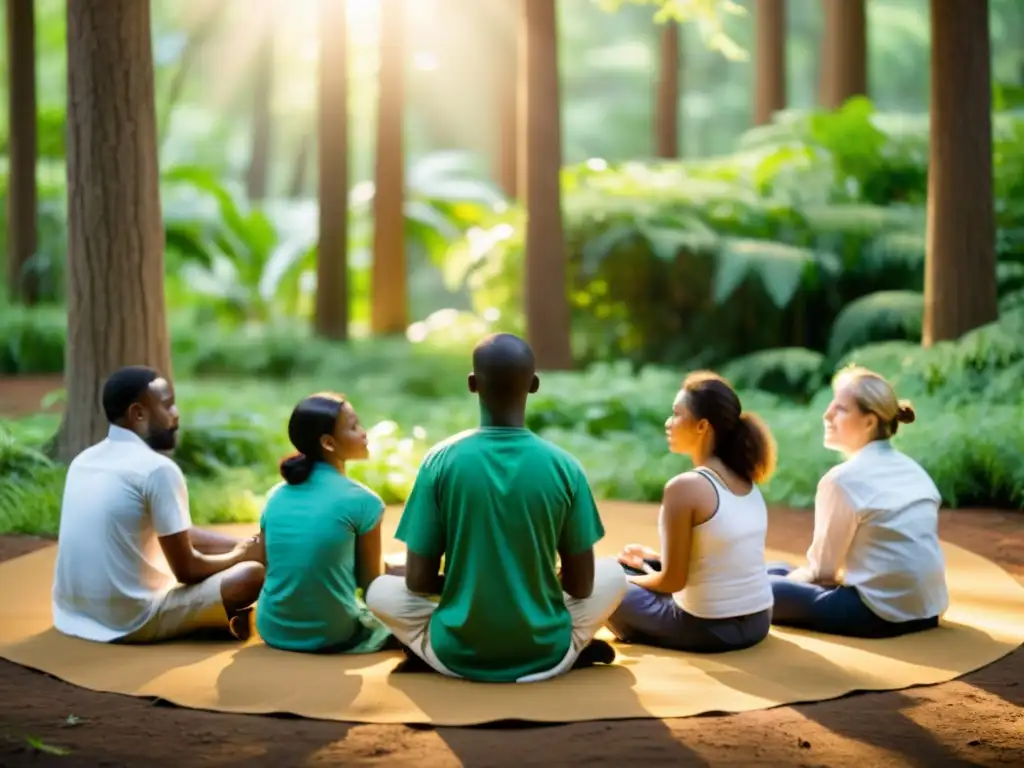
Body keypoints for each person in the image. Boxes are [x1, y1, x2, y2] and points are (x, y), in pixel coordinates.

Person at [365, 333, 627, 683]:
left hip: (456, 651)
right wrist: (528, 585)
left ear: (473, 384)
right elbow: (581, 587)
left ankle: (428, 650)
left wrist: (475, 585)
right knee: (614, 575)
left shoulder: (439, 462)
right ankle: (572, 649)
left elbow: (417, 581)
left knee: (379, 591)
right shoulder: (566, 467)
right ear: (534, 385)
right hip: (543, 650)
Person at [51, 366, 265, 644]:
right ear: (138, 413)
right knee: (251, 575)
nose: (176, 414)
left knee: (237, 557)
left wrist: (242, 545)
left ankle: (214, 615)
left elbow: (178, 533)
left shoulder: (83, 460)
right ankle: (206, 621)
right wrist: (242, 557)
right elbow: (186, 571)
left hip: (70, 612)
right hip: (130, 619)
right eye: (167, 405)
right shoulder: (157, 470)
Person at [768, 365, 948, 638]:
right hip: (926, 611)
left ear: (869, 421)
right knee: (775, 569)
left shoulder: (841, 480)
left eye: (840, 409)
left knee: (761, 589)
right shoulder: (915, 471)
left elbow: (823, 571)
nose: (827, 415)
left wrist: (776, 583)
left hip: (879, 613)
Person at [604, 372, 777, 654]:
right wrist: (652, 561)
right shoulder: (746, 481)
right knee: (623, 565)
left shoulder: (685, 488)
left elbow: (672, 581)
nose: (668, 423)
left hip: (707, 630)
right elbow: (720, 558)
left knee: (596, 582)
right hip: (758, 622)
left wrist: (624, 580)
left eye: (676, 414)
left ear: (702, 427)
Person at [255, 393, 393, 654]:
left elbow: (267, 565)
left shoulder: (276, 495)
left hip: (273, 628)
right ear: (328, 443)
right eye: (353, 427)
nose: (363, 433)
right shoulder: (364, 501)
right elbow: (370, 583)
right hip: (333, 633)